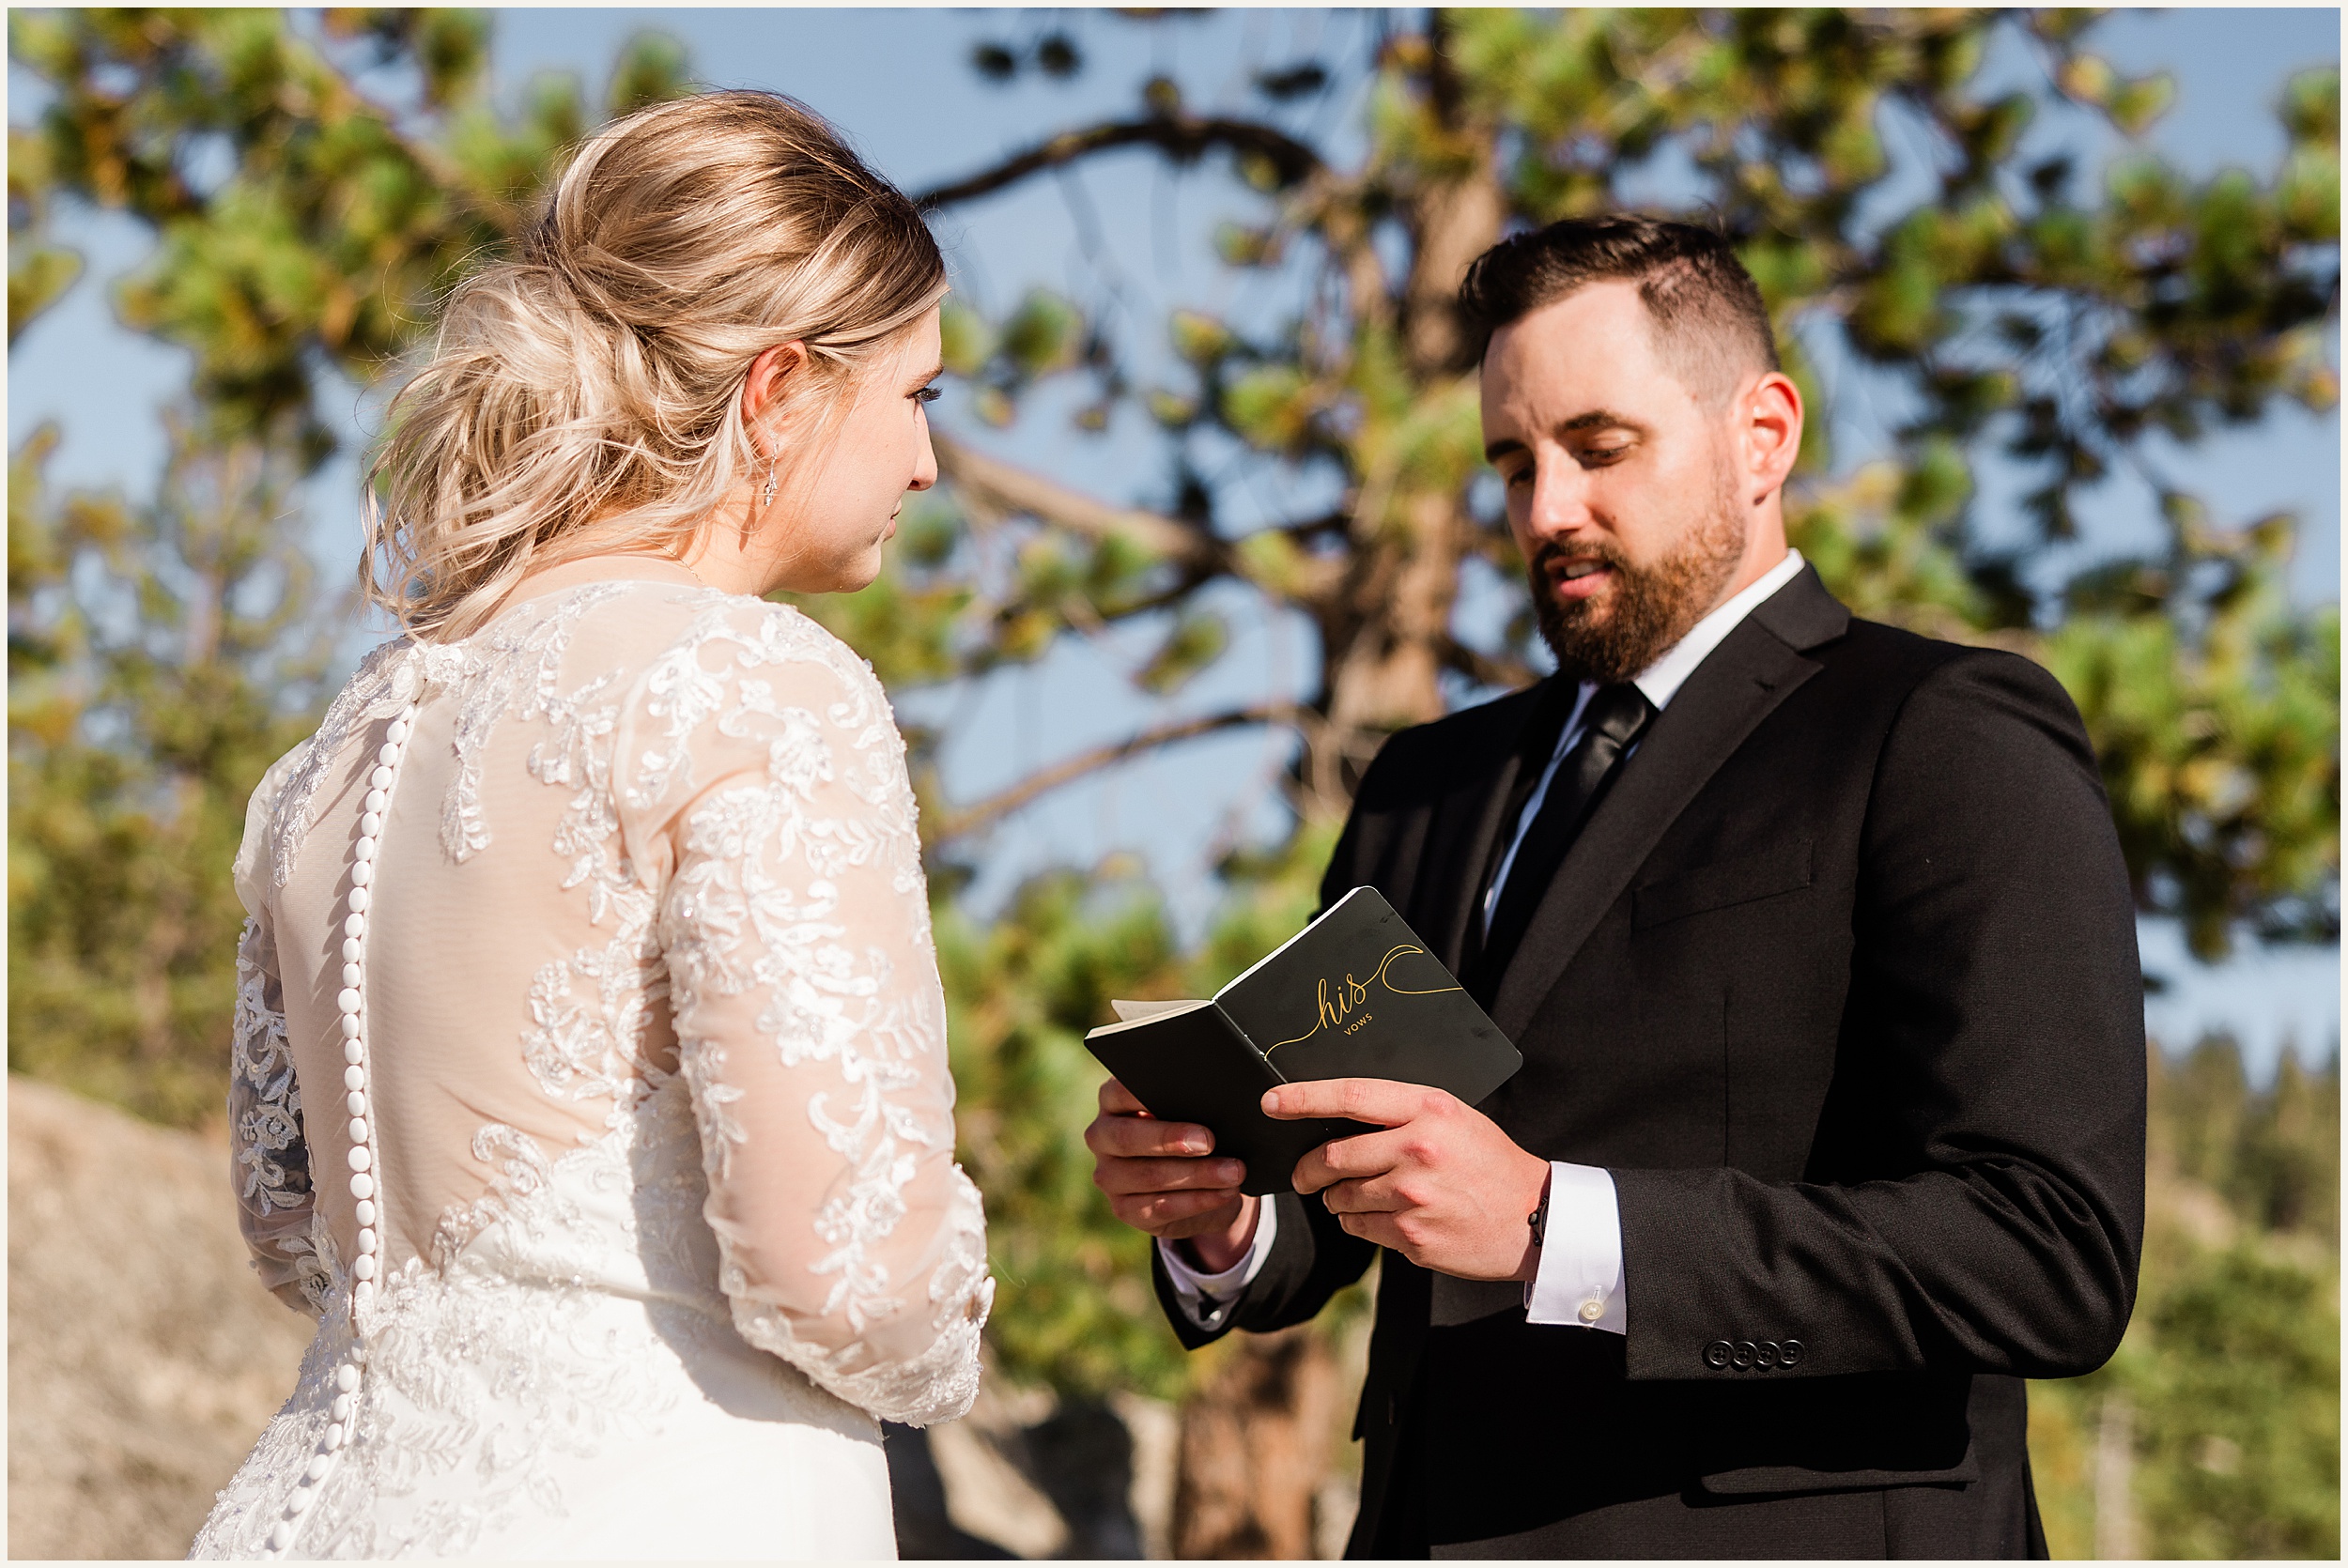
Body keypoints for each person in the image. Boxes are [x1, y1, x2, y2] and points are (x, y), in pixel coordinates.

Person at [1086, 216, 2145, 1558]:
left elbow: (2046, 1249)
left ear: (1763, 435)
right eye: (1513, 463)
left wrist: (1548, 1226)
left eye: (1599, 448)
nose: (1546, 512)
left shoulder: (1942, 733)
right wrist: (1224, 1214)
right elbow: (1333, 1211)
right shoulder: (1428, 784)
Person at [193, 91, 989, 1560]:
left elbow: (295, 1233)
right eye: (918, 396)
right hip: (658, 1504)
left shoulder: (336, 747)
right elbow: (850, 1278)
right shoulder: (755, 684)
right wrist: (958, 1296)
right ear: (779, 390)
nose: (930, 465)